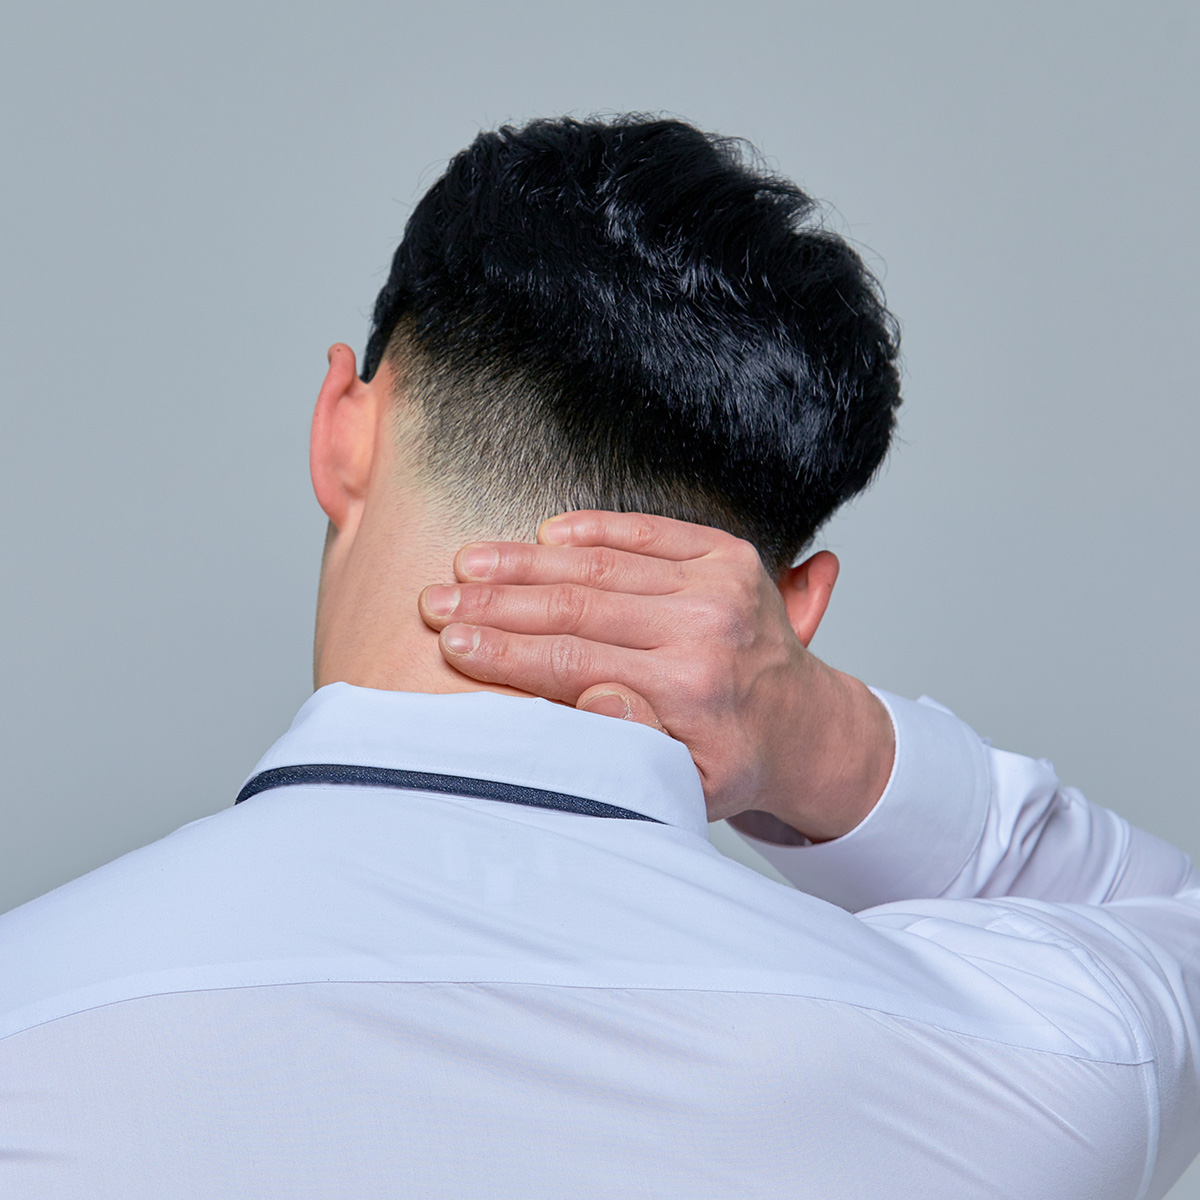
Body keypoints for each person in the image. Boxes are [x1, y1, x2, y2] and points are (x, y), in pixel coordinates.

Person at [1, 115, 1196, 1199]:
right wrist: (828, 742)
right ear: (790, 610)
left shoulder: (29, 1018)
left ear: (342, 433)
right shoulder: (1018, 1079)